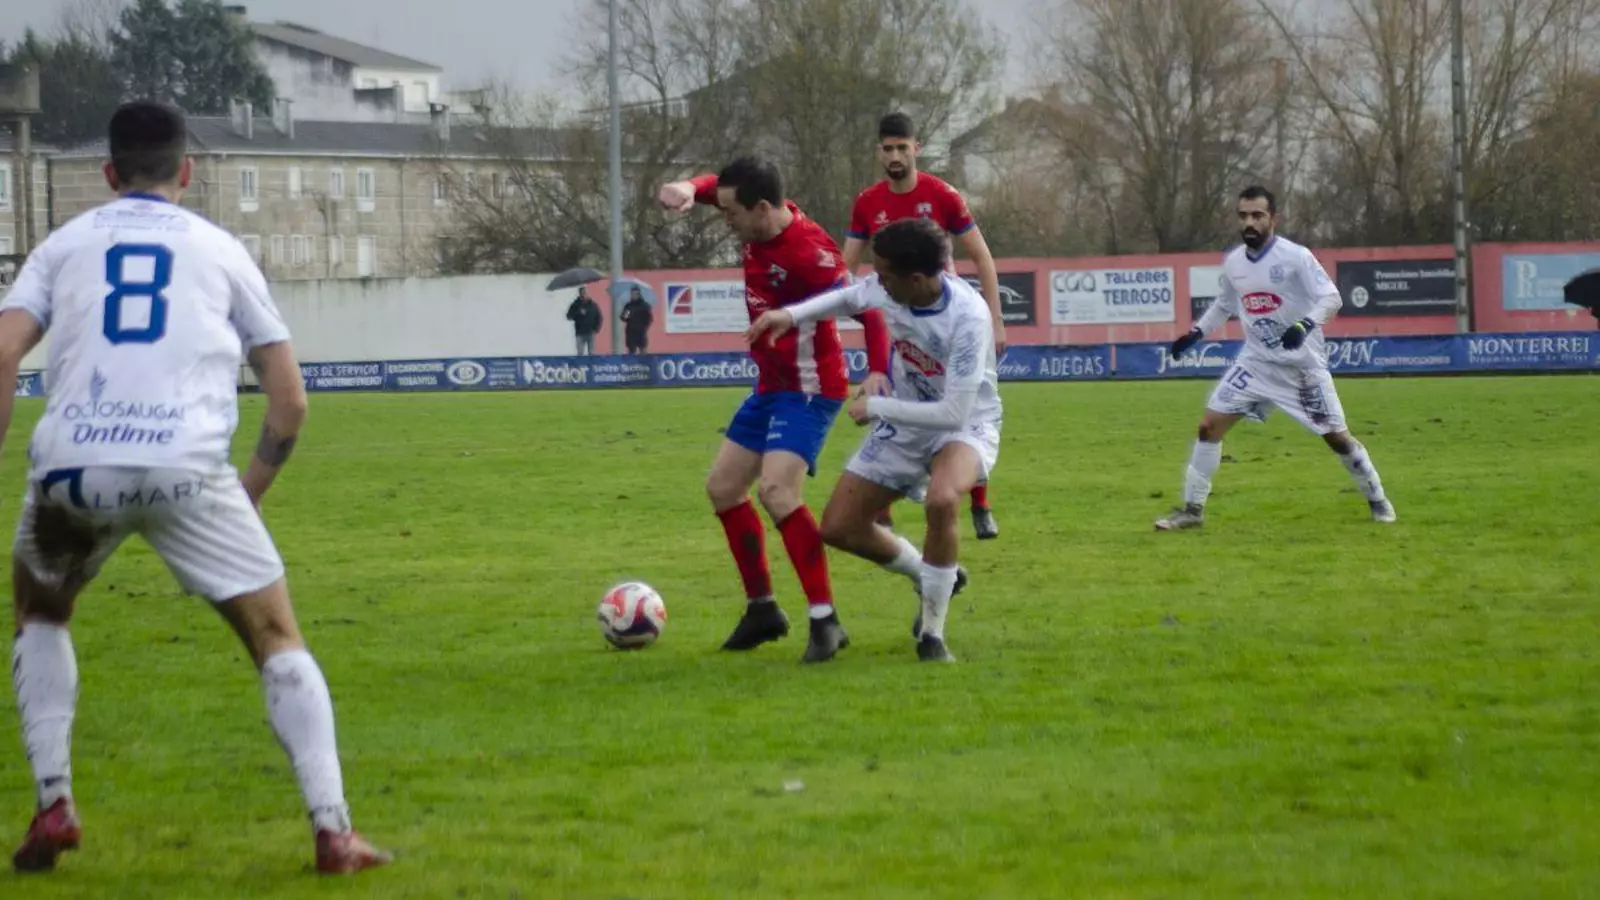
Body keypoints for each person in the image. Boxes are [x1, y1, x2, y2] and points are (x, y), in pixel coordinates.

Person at [0, 101, 389, 875]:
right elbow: (290, 402)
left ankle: (54, 803)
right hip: (187, 466)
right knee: (276, 638)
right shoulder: (221, 250)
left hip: (76, 467)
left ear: (108, 173)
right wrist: (248, 492)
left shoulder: (62, 245)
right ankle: (334, 830)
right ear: (188, 170)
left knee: (41, 615)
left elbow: (5, 350)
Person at [658, 156, 892, 664]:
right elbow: (719, 190)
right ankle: (762, 608)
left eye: (731, 213)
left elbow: (867, 309)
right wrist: (689, 186)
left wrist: (878, 370)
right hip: (771, 384)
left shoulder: (811, 253)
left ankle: (825, 619)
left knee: (777, 492)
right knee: (723, 488)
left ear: (762, 208)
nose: (725, 220)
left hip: (810, 388)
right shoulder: (756, 218)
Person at [747, 218, 1000, 663]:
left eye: (883, 274)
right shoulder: (891, 288)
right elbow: (848, 298)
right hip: (905, 421)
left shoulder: (968, 318)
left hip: (964, 425)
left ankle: (933, 636)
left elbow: (953, 413)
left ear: (916, 279)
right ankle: (933, 574)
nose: (875, 282)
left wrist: (877, 406)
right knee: (838, 527)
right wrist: (790, 315)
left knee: (942, 499)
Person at [1155, 185, 1396, 531]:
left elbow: (1331, 297)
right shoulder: (1235, 262)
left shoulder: (1296, 257)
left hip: (1302, 369)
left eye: (1257, 215)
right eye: (1243, 216)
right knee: (1208, 427)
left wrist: (1304, 325)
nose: (1249, 223)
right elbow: (1225, 304)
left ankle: (1377, 498)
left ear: (1274, 219)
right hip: (1255, 364)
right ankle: (1193, 511)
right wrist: (1195, 333)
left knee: (1337, 438)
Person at [843, 112, 1005, 541]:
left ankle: (980, 501)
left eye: (902, 147)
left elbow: (981, 256)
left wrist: (996, 320)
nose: (895, 155)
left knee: (962, 407)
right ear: (879, 152)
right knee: (888, 395)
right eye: (888, 148)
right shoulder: (867, 202)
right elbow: (847, 269)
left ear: (916, 148)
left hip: (944, 324)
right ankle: (883, 506)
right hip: (898, 323)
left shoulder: (942, 194)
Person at [566, 285, 602, 355]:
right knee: (580, 353)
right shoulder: (575, 304)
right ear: (579, 294)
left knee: (592, 353)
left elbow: (599, 317)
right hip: (580, 333)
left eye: (584, 293)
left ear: (587, 294)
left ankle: (591, 363)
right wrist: (578, 313)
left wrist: (597, 329)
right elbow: (568, 316)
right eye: (581, 293)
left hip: (590, 332)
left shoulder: (593, 305)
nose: (583, 295)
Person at [621, 285, 653, 354]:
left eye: (635, 294)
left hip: (641, 331)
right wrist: (625, 316)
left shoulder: (644, 305)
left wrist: (644, 327)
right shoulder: (628, 306)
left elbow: (649, 318)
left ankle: (643, 360)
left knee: (643, 350)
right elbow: (623, 318)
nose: (633, 296)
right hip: (630, 332)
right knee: (631, 351)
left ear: (639, 294)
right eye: (632, 294)